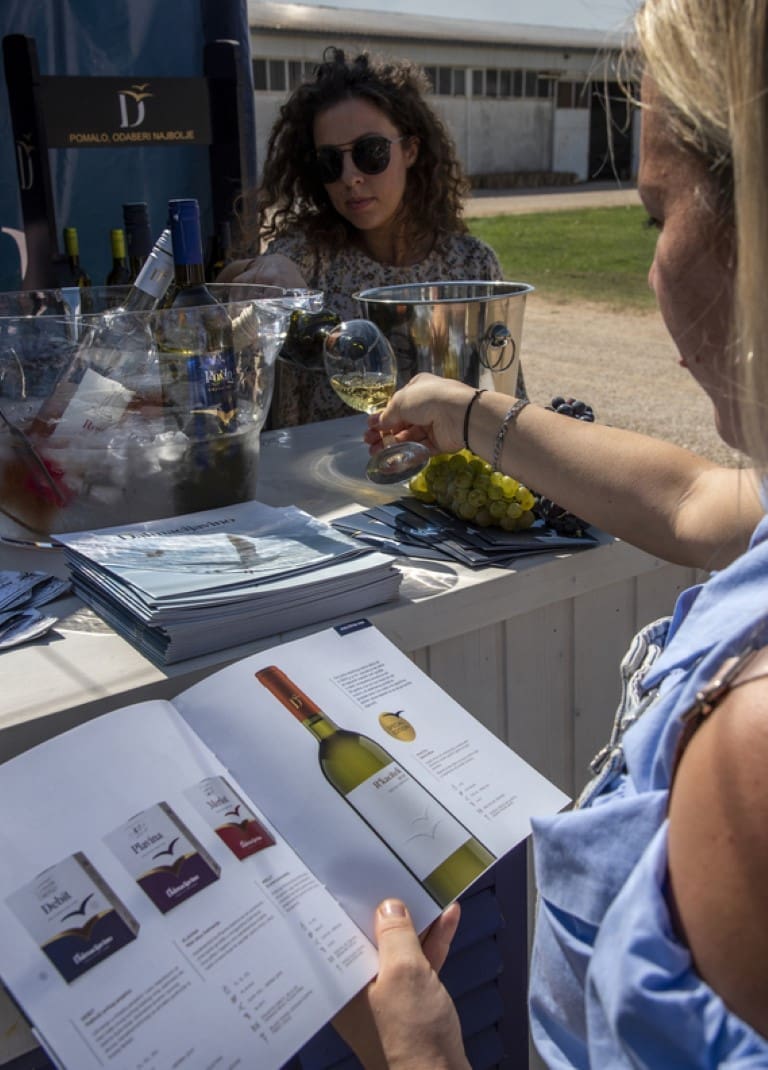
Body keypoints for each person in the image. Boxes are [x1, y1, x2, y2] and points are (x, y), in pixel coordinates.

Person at [331, 0, 768, 1066]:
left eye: (654, 216)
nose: (652, 270)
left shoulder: (752, 752)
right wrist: (469, 409)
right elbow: (696, 499)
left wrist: (417, 1053)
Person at [218, 47, 508, 427]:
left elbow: (504, 396)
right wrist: (264, 267)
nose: (349, 177)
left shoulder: (472, 267)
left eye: (370, 152)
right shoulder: (309, 258)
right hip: (320, 465)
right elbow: (221, 298)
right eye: (330, 161)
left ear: (410, 150)